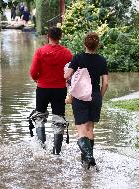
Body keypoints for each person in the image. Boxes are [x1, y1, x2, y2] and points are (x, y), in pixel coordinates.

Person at [64, 32, 109, 168]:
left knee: (81, 131)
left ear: (84, 44)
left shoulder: (78, 58)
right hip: (95, 96)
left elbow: (67, 76)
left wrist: (69, 69)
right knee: (90, 129)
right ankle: (86, 163)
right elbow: (105, 83)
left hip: (80, 97)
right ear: (98, 45)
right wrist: (99, 96)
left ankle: (89, 158)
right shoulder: (102, 60)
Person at [29, 27, 73, 155]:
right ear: (60, 37)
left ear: (48, 36)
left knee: (39, 116)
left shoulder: (40, 51)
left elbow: (33, 71)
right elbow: (71, 72)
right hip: (60, 90)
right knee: (59, 119)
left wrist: (37, 79)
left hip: (43, 88)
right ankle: (56, 152)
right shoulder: (67, 53)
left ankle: (41, 149)